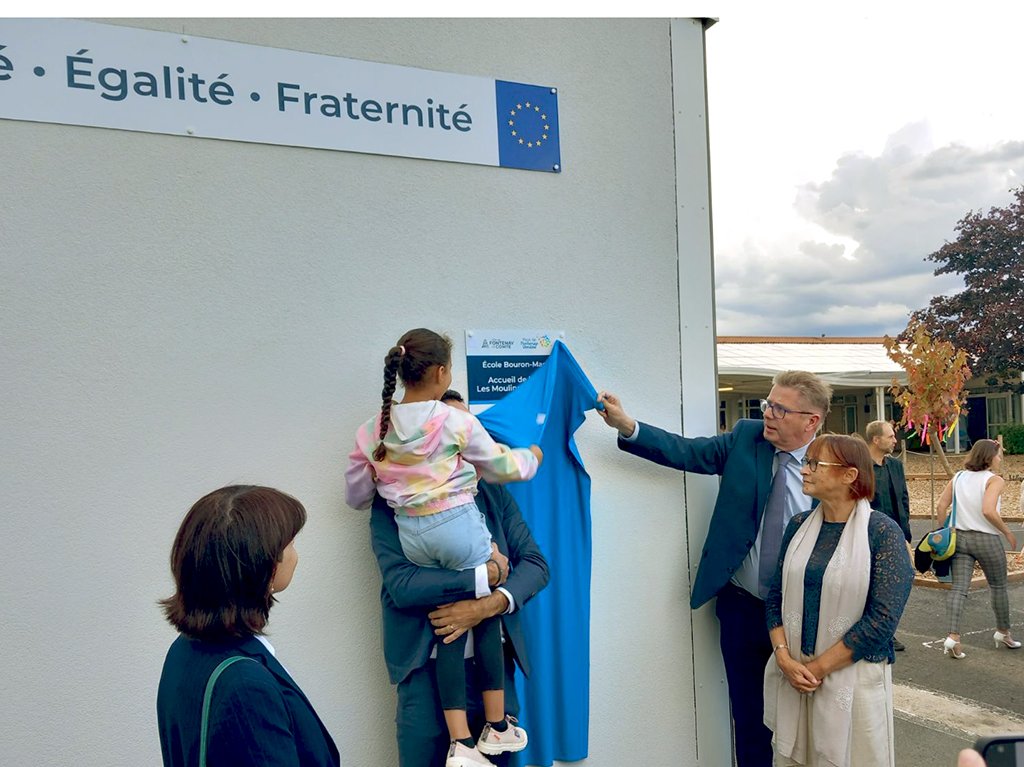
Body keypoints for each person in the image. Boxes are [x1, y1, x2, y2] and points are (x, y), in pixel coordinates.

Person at [597, 370, 832, 767]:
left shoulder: (833, 462)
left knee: (811, 722)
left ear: (811, 421)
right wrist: (626, 425)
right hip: (743, 609)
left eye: (779, 408)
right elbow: (687, 451)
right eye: (767, 403)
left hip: (805, 615)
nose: (768, 414)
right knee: (751, 720)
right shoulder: (746, 439)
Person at [346, 330, 542, 767]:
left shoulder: (391, 462)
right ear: (439, 374)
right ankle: (476, 737)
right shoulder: (389, 505)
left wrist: (490, 603)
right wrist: (483, 579)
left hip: (493, 673)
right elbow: (404, 586)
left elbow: (536, 565)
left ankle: (488, 731)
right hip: (424, 673)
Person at [157, 486, 340, 767]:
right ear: (264, 566)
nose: (295, 554)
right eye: (289, 544)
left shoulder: (184, 650)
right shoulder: (246, 687)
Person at [764, 434, 913, 766]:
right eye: (806, 462)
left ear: (850, 475)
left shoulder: (882, 532)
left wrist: (814, 669)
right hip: (794, 673)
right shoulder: (799, 525)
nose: (804, 470)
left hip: (853, 681)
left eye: (815, 464)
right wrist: (785, 660)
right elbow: (775, 595)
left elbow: (882, 622)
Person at [934, 439, 1020, 659]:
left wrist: (942, 530)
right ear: (989, 457)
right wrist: (1006, 531)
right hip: (986, 539)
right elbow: (988, 511)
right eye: (999, 455)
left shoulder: (959, 476)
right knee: (999, 586)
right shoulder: (994, 480)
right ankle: (1003, 632)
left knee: (959, 588)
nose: (1000, 459)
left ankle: (953, 636)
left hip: (959, 539)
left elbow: (941, 506)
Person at [865, 419, 912, 651]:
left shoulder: (895, 466)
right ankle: (874, 633)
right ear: (876, 439)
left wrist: (906, 534)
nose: (895, 440)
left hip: (895, 535)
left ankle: (887, 632)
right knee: (869, 585)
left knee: (891, 586)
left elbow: (903, 499)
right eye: (891, 436)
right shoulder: (861, 466)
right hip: (868, 536)